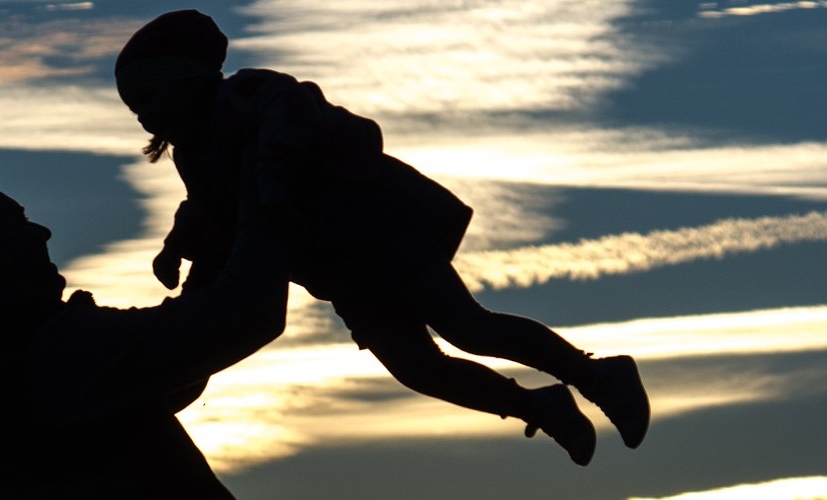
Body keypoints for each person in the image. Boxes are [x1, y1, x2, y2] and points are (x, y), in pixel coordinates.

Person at [112, 9, 650, 466]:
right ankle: (542, 407)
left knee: (467, 326)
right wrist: (178, 249)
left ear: (188, 79)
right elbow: (209, 211)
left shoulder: (252, 94)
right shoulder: (195, 156)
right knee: (416, 367)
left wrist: (273, 176)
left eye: (150, 99)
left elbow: (294, 120)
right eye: (136, 110)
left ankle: (598, 376)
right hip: (339, 273)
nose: (145, 117)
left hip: (380, 234)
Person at [0, 172, 288, 498]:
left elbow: (175, 368)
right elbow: (246, 313)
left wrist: (212, 252)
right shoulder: (48, 348)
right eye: (21, 220)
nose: (43, 232)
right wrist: (264, 193)